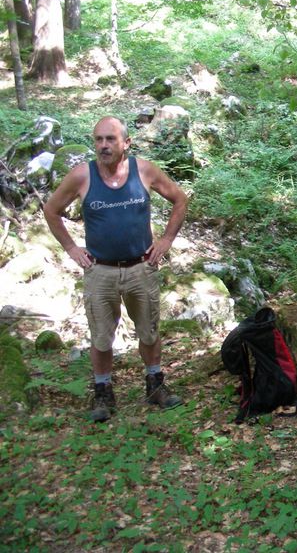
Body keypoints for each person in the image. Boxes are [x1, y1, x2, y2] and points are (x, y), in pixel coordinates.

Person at [43, 116, 188, 422]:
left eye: (110, 139)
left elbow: (179, 199)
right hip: (100, 270)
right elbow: (52, 210)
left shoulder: (143, 170)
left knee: (148, 332)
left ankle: (154, 385)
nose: (104, 146)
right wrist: (71, 248)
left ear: (126, 143)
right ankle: (102, 393)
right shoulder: (83, 175)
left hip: (141, 267)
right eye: (98, 139)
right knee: (100, 337)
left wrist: (166, 239)